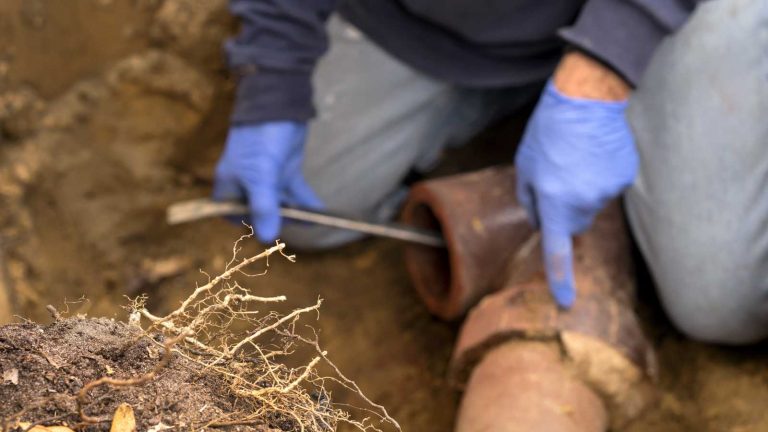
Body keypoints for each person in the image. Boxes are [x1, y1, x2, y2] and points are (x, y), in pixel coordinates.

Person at [212, 0, 768, 344]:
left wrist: (598, 74)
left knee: (718, 303)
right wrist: (274, 73)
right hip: (446, 22)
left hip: (679, 14)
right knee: (304, 208)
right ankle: (518, 95)